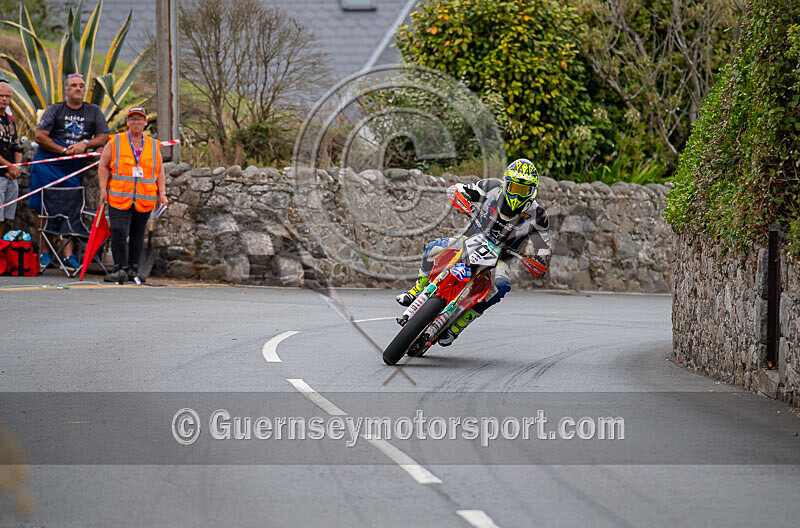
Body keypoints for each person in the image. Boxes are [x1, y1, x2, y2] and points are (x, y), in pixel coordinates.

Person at [396, 158, 552, 346]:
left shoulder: (538, 215)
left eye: (523, 190)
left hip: (502, 258)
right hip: (469, 239)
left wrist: (540, 260)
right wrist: (459, 194)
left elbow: (543, 245)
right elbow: (461, 189)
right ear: (506, 184)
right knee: (433, 248)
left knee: (500, 286)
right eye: (514, 187)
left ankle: (457, 326)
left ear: (532, 192)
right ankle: (417, 290)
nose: (517, 195)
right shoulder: (491, 187)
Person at [28, 73, 110, 269]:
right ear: (66, 90)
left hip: (72, 169)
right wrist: (63, 151)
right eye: (73, 85)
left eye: (81, 85)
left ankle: (68, 255)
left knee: (70, 208)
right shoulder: (55, 110)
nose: (78, 88)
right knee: (40, 208)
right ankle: (44, 252)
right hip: (47, 165)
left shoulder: (93, 111)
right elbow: (40, 136)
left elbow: (103, 137)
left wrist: (85, 143)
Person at [97, 106, 168, 284]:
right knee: (119, 231)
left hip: (144, 198)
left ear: (145, 123)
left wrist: (162, 193)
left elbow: (159, 170)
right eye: (133, 119)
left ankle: (133, 268)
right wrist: (103, 189)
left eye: (140, 119)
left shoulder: (153, 145)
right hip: (119, 196)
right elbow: (103, 165)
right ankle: (119, 268)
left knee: (138, 234)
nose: (136, 122)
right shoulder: (116, 141)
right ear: (127, 122)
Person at [0, 80, 23, 235]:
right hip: (2, 173)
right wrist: (10, 166)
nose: (4, 99)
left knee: (6, 217)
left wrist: (17, 167)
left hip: (11, 175)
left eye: (7, 96)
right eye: (1, 95)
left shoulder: (10, 120)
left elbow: (17, 145)